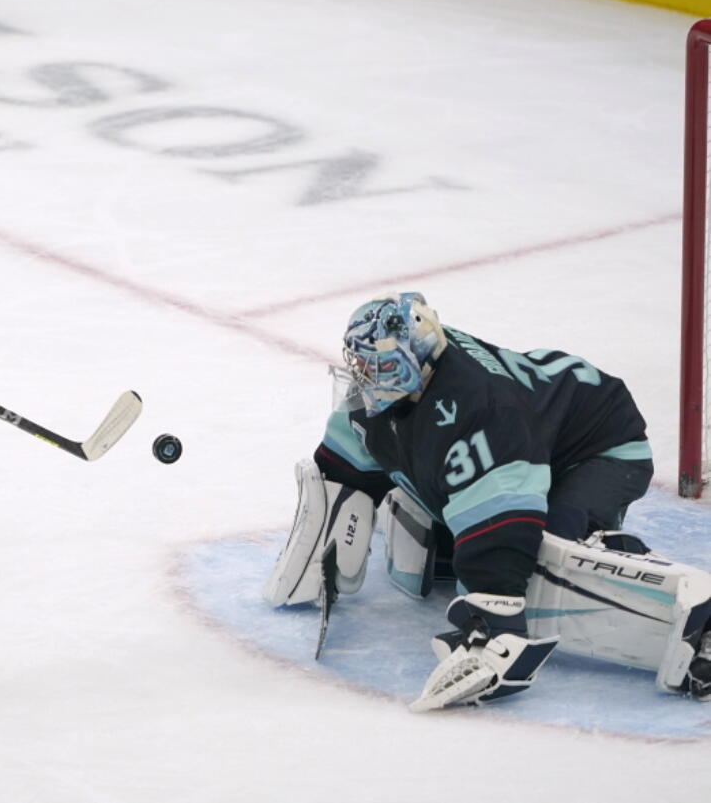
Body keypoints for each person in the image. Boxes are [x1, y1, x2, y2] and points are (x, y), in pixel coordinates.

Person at [263, 292, 711, 709]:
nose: (362, 376)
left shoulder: (479, 408)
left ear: (409, 364)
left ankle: (690, 613)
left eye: (374, 366)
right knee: (444, 509)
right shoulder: (418, 371)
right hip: (534, 431)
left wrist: (493, 622)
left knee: (542, 555)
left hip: (596, 451)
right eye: (359, 362)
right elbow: (354, 452)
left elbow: (503, 522)